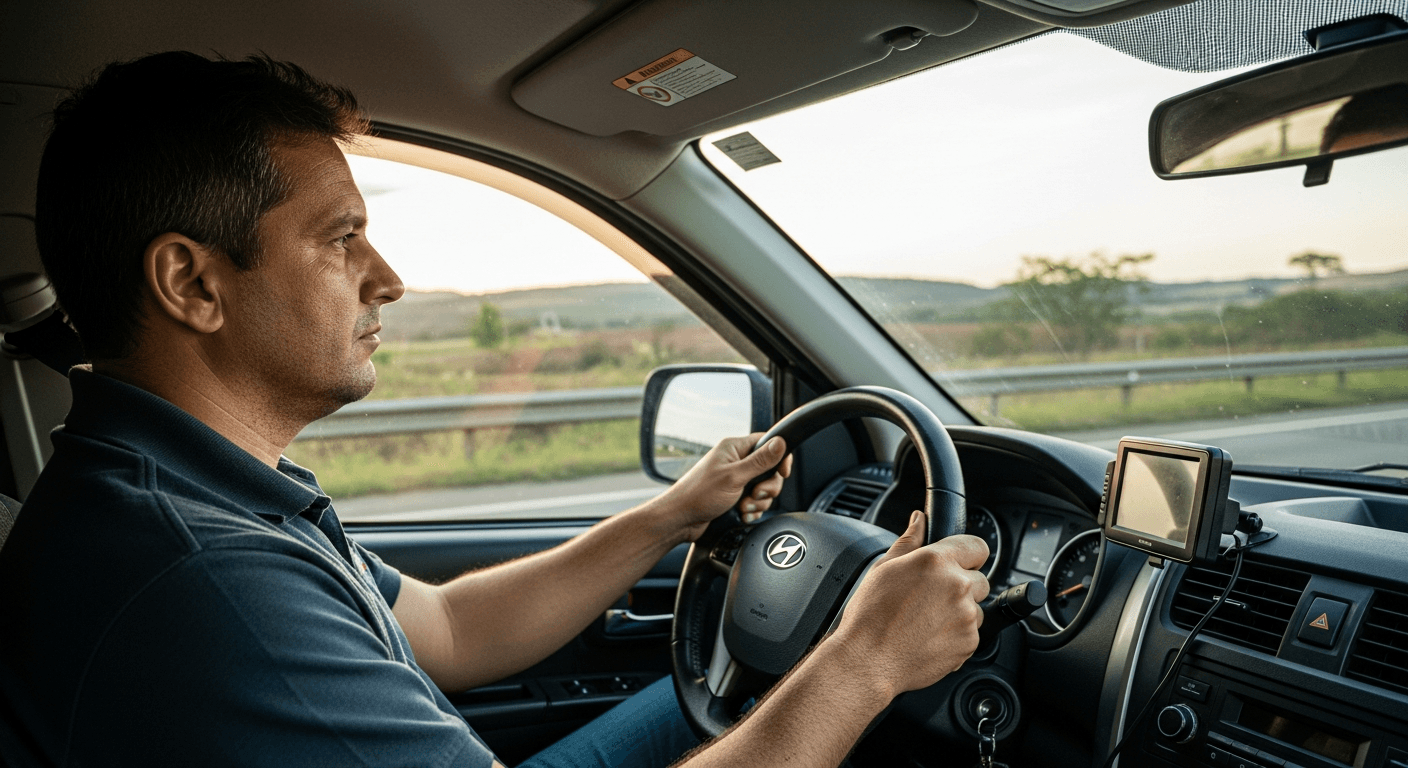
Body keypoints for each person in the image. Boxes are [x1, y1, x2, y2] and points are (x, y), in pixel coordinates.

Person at [0, 52, 989, 768]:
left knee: (721, 708)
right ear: (193, 284)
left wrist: (674, 513)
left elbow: (446, 627)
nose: (386, 278)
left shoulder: (190, 492)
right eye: (341, 239)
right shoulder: (201, 578)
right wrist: (861, 664)